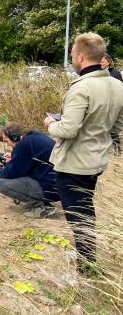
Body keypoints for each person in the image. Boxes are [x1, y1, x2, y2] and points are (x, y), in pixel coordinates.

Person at [44, 33, 123, 274]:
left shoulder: (82, 88)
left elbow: (68, 129)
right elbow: (117, 127)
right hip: (97, 160)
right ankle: (86, 256)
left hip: (74, 164)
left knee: (78, 216)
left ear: (80, 55)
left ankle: (86, 267)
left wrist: (49, 124)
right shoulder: (118, 85)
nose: (72, 60)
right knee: (85, 208)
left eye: (72, 56)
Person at [0, 122, 58, 219]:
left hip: (52, 189)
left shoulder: (24, 145)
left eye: (7, 141)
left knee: (1, 184)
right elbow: (29, 158)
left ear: (14, 137)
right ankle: (41, 202)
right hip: (57, 185)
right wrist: (14, 157)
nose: (8, 144)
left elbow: (10, 173)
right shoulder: (33, 136)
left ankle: (41, 207)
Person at [101, 53, 122, 154]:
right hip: (101, 103)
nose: (100, 63)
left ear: (108, 62)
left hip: (112, 104)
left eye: (102, 61)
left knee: (112, 127)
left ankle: (116, 148)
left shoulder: (115, 73)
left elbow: (119, 89)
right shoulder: (98, 73)